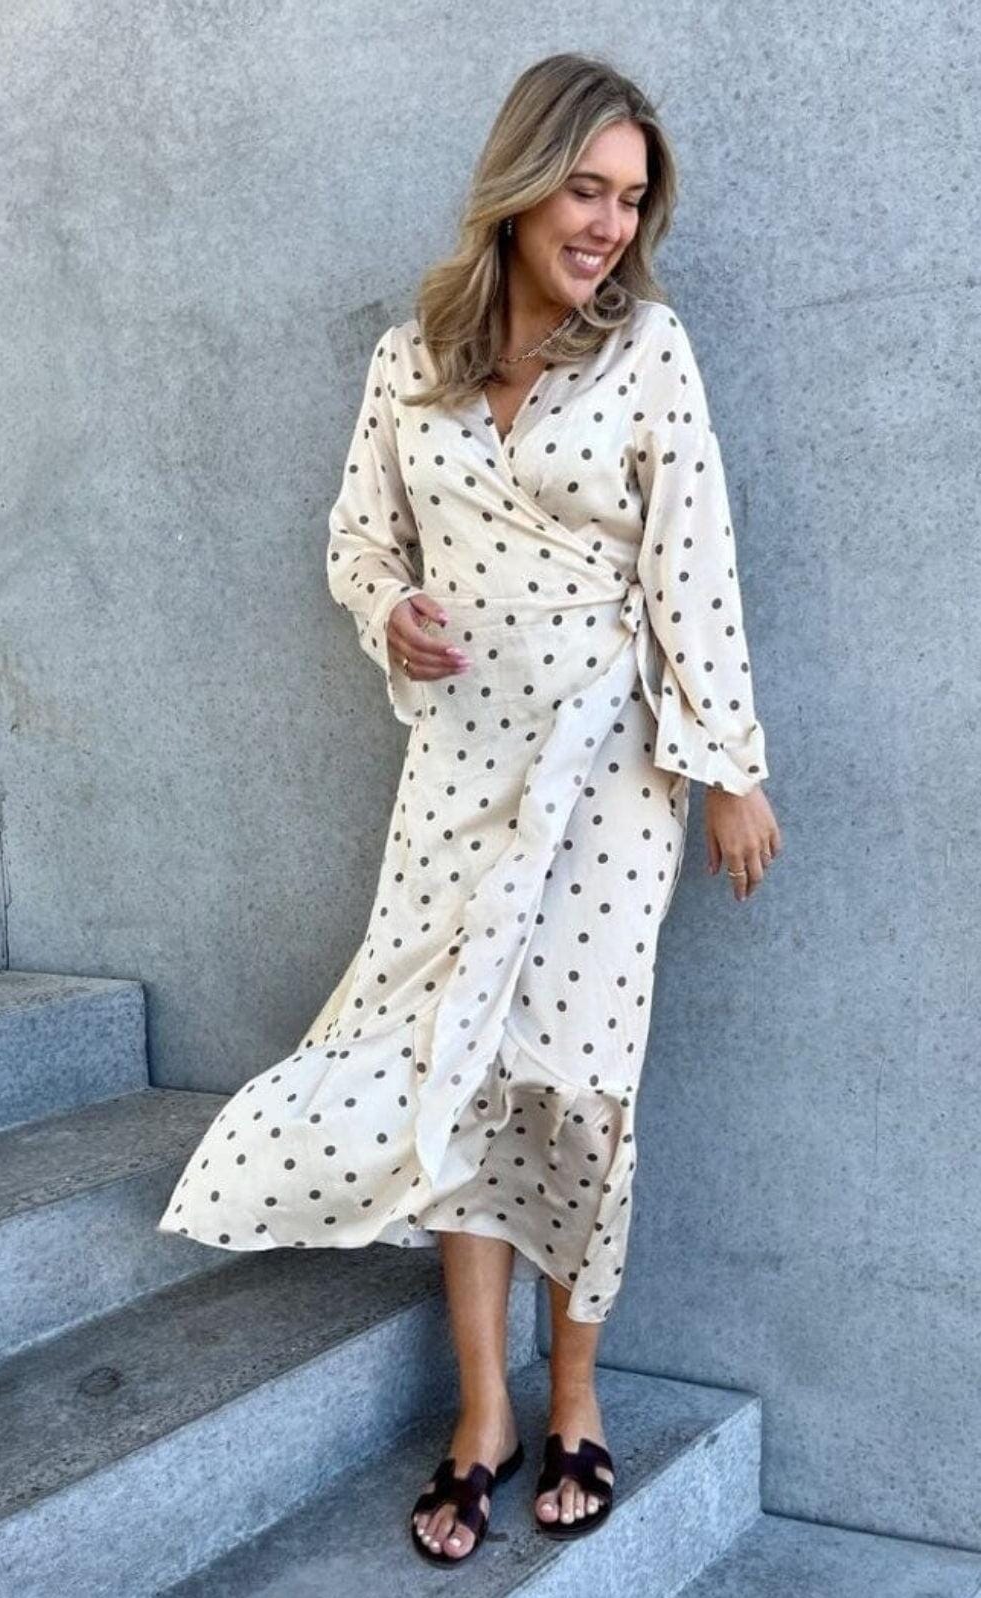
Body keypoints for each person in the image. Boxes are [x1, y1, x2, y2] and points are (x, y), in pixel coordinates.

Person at [158, 50, 782, 1565]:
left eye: (630, 201)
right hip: (456, 766)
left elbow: (692, 563)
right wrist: (392, 614)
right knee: (455, 1061)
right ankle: (483, 1410)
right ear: (520, 183)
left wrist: (730, 767)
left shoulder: (650, 353)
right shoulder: (409, 362)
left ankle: (574, 1396)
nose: (609, 227)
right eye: (586, 190)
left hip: (611, 774)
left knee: (577, 1082)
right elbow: (357, 541)